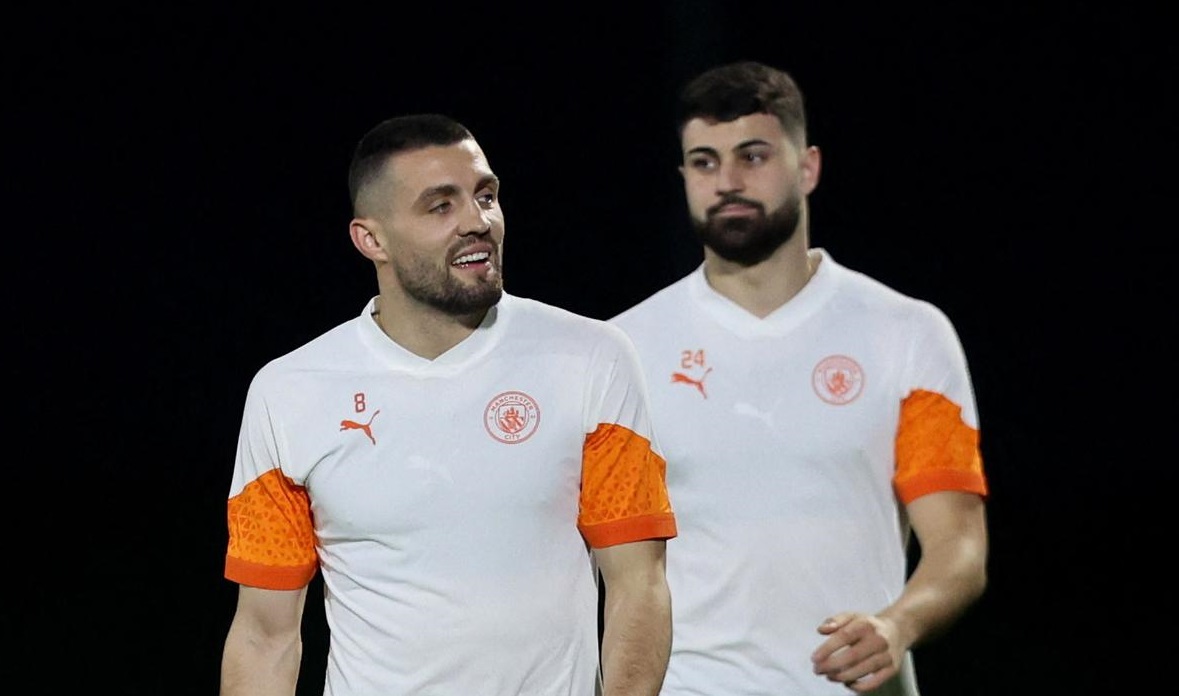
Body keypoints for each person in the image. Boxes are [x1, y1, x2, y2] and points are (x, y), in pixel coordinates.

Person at [219, 113, 677, 696]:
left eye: (485, 196)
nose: (477, 222)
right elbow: (265, 635)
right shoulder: (289, 392)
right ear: (371, 239)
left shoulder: (591, 359)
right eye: (441, 206)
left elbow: (639, 584)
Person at [609, 61, 989, 695]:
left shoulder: (906, 334)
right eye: (703, 162)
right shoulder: (624, 350)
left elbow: (960, 550)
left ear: (808, 166)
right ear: (683, 178)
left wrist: (896, 625)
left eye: (751, 156)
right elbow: (604, 569)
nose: (726, 181)